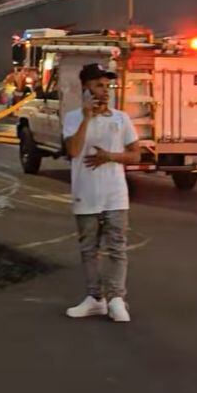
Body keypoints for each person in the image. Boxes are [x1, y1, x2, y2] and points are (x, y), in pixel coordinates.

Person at [63, 63, 140, 323]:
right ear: (85, 88)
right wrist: (87, 118)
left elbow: (136, 154)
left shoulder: (121, 118)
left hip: (115, 194)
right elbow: (73, 151)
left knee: (117, 247)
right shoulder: (72, 118)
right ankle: (95, 298)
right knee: (89, 249)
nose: (105, 90)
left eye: (108, 86)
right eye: (98, 85)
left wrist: (111, 157)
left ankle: (117, 298)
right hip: (86, 193)